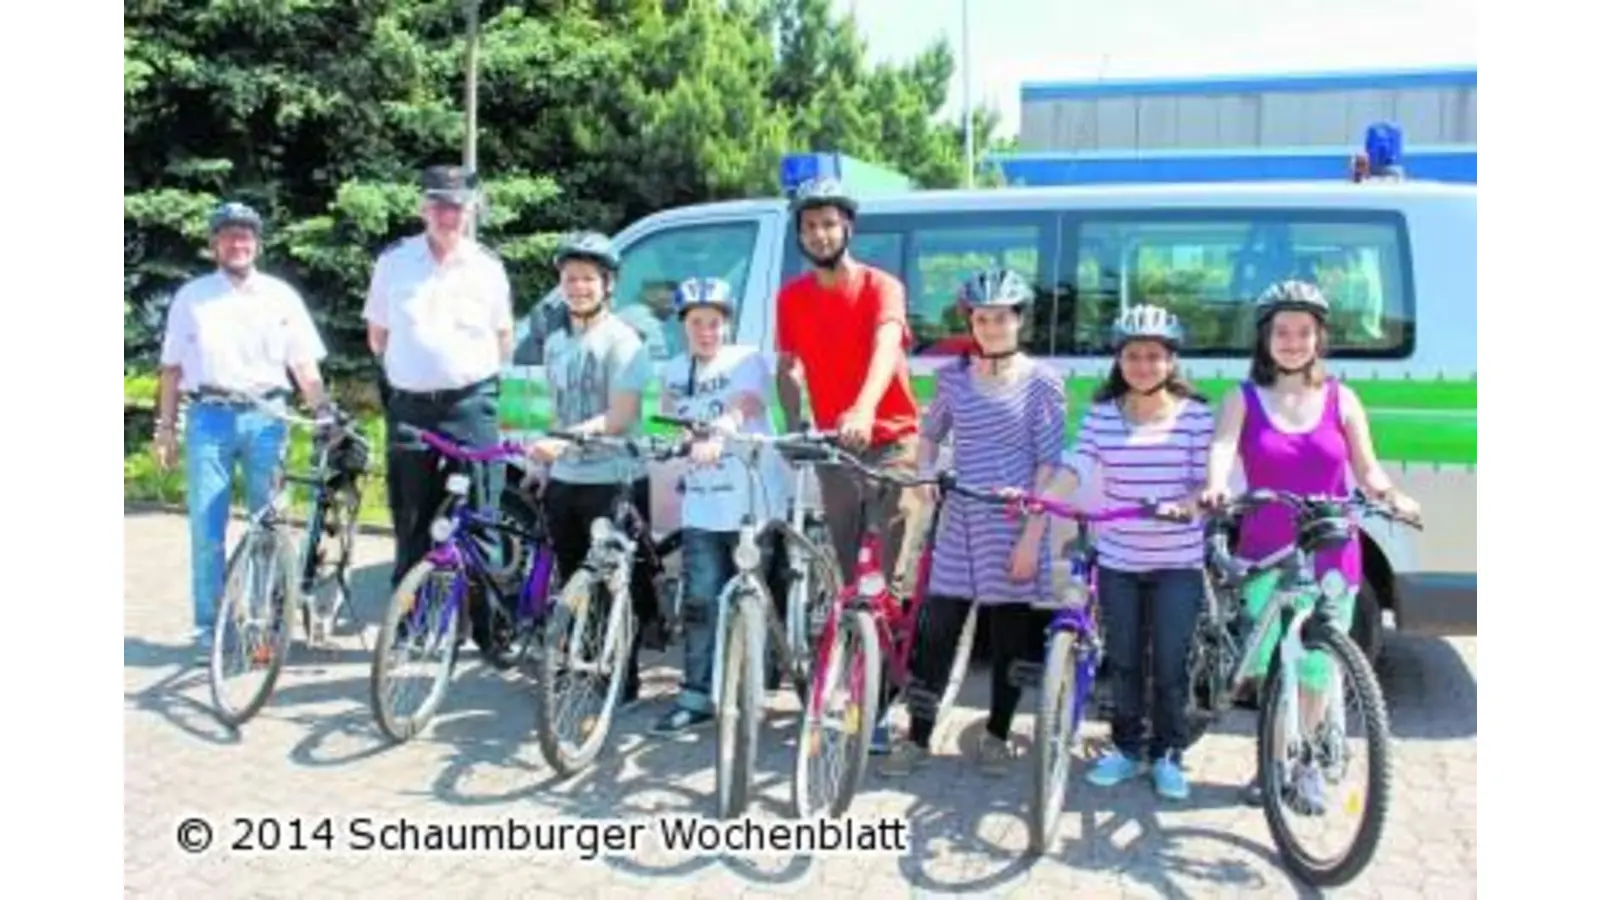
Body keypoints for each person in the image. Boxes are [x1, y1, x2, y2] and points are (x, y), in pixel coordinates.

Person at [1200, 279, 1422, 810]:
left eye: (1304, 331)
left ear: (1319, 338)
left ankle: (1305, 769)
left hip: (1329, 550)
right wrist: (1214, 485)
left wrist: (1392, 495)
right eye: (1282, 331)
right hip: (1267, 553)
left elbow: (1367, 469)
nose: (1293, 341)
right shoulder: (1242, 398)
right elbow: (1223, 449)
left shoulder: (1343, 398)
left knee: (1316, 666)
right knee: (1274, 667)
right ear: (1266, 339)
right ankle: (1272, 760)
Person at [879, 269, 1065, 777]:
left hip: (1012, 521)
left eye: (1001, 317)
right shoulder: (953, 378)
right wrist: (925, 474)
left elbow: (1050, 462)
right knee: (936, 630)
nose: (991, 327)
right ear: (972, 321)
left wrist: (1033, 532)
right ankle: (917, 737)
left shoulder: (1044, 382)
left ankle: (998, 735)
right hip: (960, 517)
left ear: (1019, 319)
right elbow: (931, 433)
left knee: (1009, 636)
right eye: (982, 318)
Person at [774, 176, 926, 752]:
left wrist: (862, 408)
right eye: (810, 226)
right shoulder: (791, 297)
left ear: (848, 228)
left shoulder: (881, 286)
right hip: (835, 447)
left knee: (883, 579)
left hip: (889, 441)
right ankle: (852, 678)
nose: (820, 233)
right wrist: (794, 427)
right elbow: (788, 366)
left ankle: (885, 701)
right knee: (846, 576)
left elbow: (887, 346)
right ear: (801, 235)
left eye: (830, 223)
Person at [1043, 305, 1214, 801]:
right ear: (1119, 361)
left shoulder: (1196, 415)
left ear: (1171, 362)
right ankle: (1125, 748)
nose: (1143, 365)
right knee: (1122, 660)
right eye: (1133, 355)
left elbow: (1208, 478)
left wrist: (1187, 504)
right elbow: (1079, 460)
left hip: (1177, 564)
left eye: (1154, 356)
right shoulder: (1102, 414)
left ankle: (1167, 754)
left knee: (1169, 663)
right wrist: (1047, 496)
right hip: (1118, 559)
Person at [153, 201, 332, 659]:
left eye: (246, 235)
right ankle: (209, 627)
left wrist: (325, 414)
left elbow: (303, 365)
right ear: (215, 245)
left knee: (268, 525)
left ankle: (261, 625)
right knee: (206, 527)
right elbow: (171, 369)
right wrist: (165, 427)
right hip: (209, 419)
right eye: (229, 235)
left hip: (268, 419)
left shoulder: (280, 296)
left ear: (257, 243)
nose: (238, 243)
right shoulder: (191, 297)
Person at [525, 231, 664, 708]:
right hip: (567, 479)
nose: (578, 287)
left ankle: (622, 680)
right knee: (573, 580)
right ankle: (583, 663)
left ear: (608, 285)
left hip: (614, 477)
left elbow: (621, 416)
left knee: (614, 583)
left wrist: (560, 441)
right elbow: (559, 410)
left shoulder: (623, 341)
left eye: (588, 278)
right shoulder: (556, 342)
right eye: (570, 278)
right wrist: (544, 464)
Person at [363, 165, 514, 602]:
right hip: (411, 409)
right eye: (439, 205)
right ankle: (409, 624)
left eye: (457, 207)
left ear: (471, 211)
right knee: (411, 518)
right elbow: (378, 336)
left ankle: (489, 623)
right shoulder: (394, 262)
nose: (447, 215)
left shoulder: (487, 268)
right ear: (422, 208)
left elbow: (503, 341)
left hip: (470, 404)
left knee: (483, 516)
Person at [649, 277, 791, 734]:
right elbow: (672, 416)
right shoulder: (674, 368)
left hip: (752, 499)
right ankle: (695, 696)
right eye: (696, 323)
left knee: (756, 597)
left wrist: (720, 429)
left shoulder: (745, 359)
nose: (705, 331)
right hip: (703, 504)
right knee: (700, 599)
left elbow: (746, 402)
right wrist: (676, 442)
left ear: (726, 324)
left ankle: (756, 689)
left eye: (714, 322)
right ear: (683, 326)